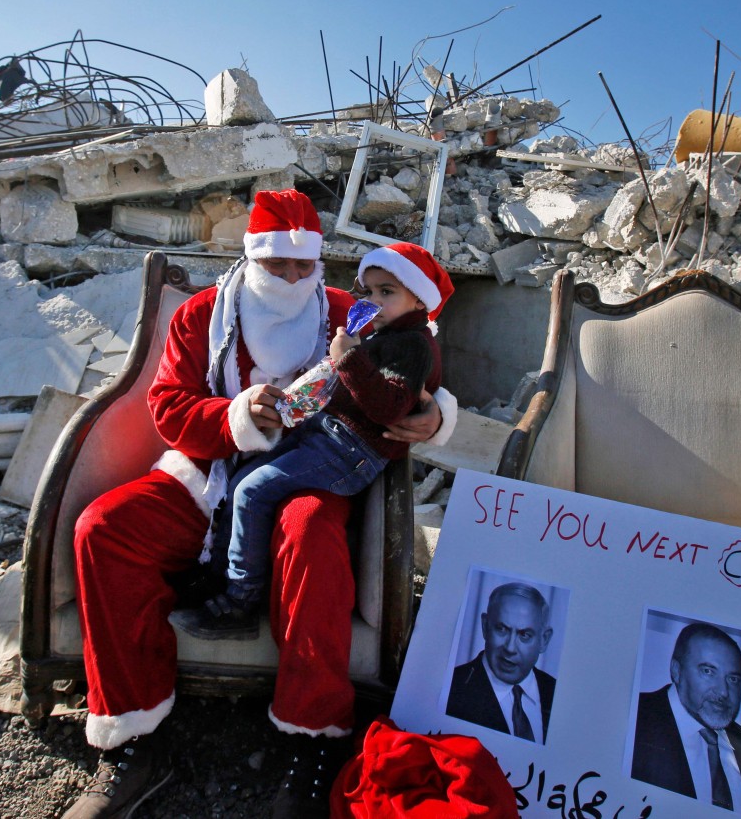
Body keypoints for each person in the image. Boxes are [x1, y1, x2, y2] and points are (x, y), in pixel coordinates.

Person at [61, 189, 458, 819]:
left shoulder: (346, 312)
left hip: (308, 473)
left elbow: (413, 357)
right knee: (104, 527)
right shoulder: (202, 315)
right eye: (278, 265)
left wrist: (436, 414)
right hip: (209, 471)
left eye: (305, 265)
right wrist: (236, 415)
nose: (294, 278)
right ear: (251, 257)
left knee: (311, 535)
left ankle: (312, 734)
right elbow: (167, 406)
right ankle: (134, 731)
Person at [169, 242, 453, 639]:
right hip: (326, 433)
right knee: (244, 480)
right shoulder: (385, 331)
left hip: (350, 448)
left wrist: (348, 359)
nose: (373, 301)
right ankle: (218, 580)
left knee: (253, 491)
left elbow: (390, 405)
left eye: (387, 292)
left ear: (419, 299)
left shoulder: (408, 342)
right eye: (369, 291)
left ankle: (240, 601)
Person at [630, 621, 741, 816]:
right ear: (676, 671)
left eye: (733, 679)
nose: (724, 692)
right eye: (708, 671)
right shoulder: (634, 718)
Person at [445, 582, 556, 745]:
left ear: (544, 640)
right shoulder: (451, 686)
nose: (510, 648)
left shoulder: (555, 692)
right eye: (502, 629)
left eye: (524, 635)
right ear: (485, 626)